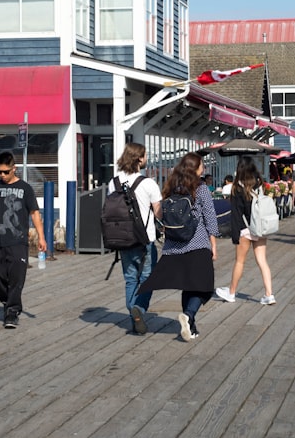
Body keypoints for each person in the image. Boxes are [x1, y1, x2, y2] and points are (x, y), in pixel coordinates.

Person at [137, 152, 217, 341]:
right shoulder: (201, 188)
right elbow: (210, 217)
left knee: (188, 285)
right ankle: (189, 316)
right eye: (201, 165)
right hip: (197, 243)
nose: (203, 167)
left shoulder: (171, 187)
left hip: (174, 245)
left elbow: (160, 213)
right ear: (194, 168)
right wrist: (213, 243)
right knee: (204, 286)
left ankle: (191, 327)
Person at [0, 152, 46, 329]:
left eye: (6, 172)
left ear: (14, 168)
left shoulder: (25, 188)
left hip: (18, 239)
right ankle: (7, 300)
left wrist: (41, 237)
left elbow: (34, 213)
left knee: (16, 277)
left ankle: (12, 311)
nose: (2, 175)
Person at [106, 142, 162, 335]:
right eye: (145, 155)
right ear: (139, 158)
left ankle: (134, 317)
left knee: (130, 279)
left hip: (121, 238)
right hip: (145, 239)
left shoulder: (113, 183)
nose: (147, 159)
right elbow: (158, 212)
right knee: (149, 278)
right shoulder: (148, 183)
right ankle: (138, 308)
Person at [215, 156, 275, 305]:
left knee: (240, 262)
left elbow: (236, 214)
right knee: (262, 261)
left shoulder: (238, 187)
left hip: (245, 228)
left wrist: (235, 235)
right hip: (260, 226)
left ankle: (231, 292)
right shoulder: (259, 183)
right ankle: (269, 294)